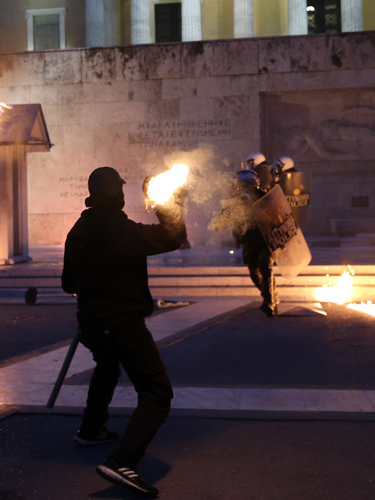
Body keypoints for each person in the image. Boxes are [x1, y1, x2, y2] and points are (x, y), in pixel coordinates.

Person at [62, 166, 187, 498]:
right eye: (119, 189)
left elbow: (67, 284)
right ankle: (123, 460)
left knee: (106, 367)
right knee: (157, 391)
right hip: (120, 324)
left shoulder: (77, 229)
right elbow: (172, 237)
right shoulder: (117, 227)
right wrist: (168, 204)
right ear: (112, 192)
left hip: (91, 322)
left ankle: (91, 430)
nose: (122, 194)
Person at [217, 168, 278, 317]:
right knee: (254, 273)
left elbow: (277, 214)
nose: (246, 187)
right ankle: (269, 295)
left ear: (255, 184)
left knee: (265, 265)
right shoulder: (234, 201)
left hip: (265, 240)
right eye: (243, 184)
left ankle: (269, 302)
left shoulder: (264, 197)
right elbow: (224, 219)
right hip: (249, 241)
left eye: (248, 184)